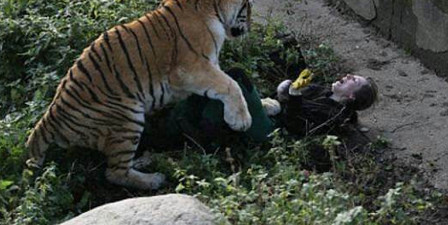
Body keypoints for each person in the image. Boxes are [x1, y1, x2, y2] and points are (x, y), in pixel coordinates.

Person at [143, 68, 378, 149]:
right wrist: (286, 89)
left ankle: (184, 129)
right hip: (270, 112)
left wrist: (293, 98)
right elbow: (286, 97)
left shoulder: (334, 115)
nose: (346, 76)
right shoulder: (321, 90)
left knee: (236, 79)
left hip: (273, 133)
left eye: (352, 80)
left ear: (350, 96)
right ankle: (178, 126)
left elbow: (298, 125)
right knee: (220, 94)